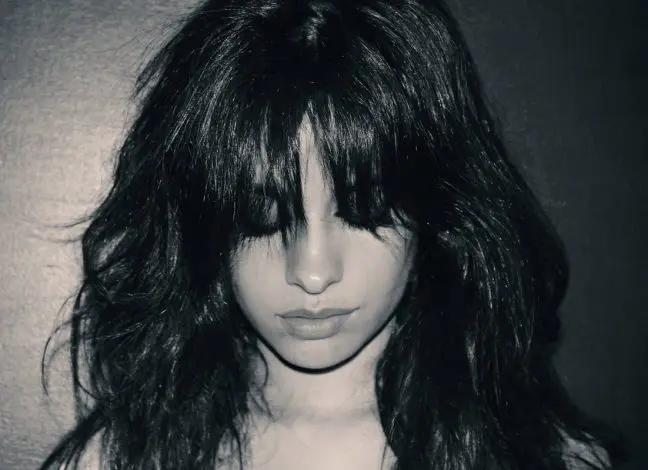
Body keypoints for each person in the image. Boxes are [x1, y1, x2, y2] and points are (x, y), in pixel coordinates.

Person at [41, 0, 623, 469]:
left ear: (438, 214)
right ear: (200, 226)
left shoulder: (553, 461)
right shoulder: (112, 462)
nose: (313, 272)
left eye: (366, 211)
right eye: (261, 217)